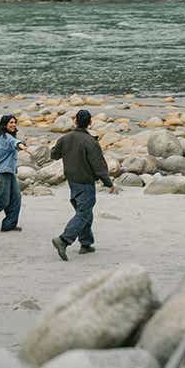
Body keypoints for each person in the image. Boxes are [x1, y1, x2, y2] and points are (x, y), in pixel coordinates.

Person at [49, 109, 115, 261]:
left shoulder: (65, 138)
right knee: (84, 213)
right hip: (85, 182)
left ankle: (86, 244)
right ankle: (64, 240)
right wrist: (109, 183)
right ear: (90, 122)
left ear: (75, 121)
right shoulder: (90, 142)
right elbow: (99, 166)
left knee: (84, 211)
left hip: (72, 181)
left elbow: (54, 155)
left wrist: (59, 148)